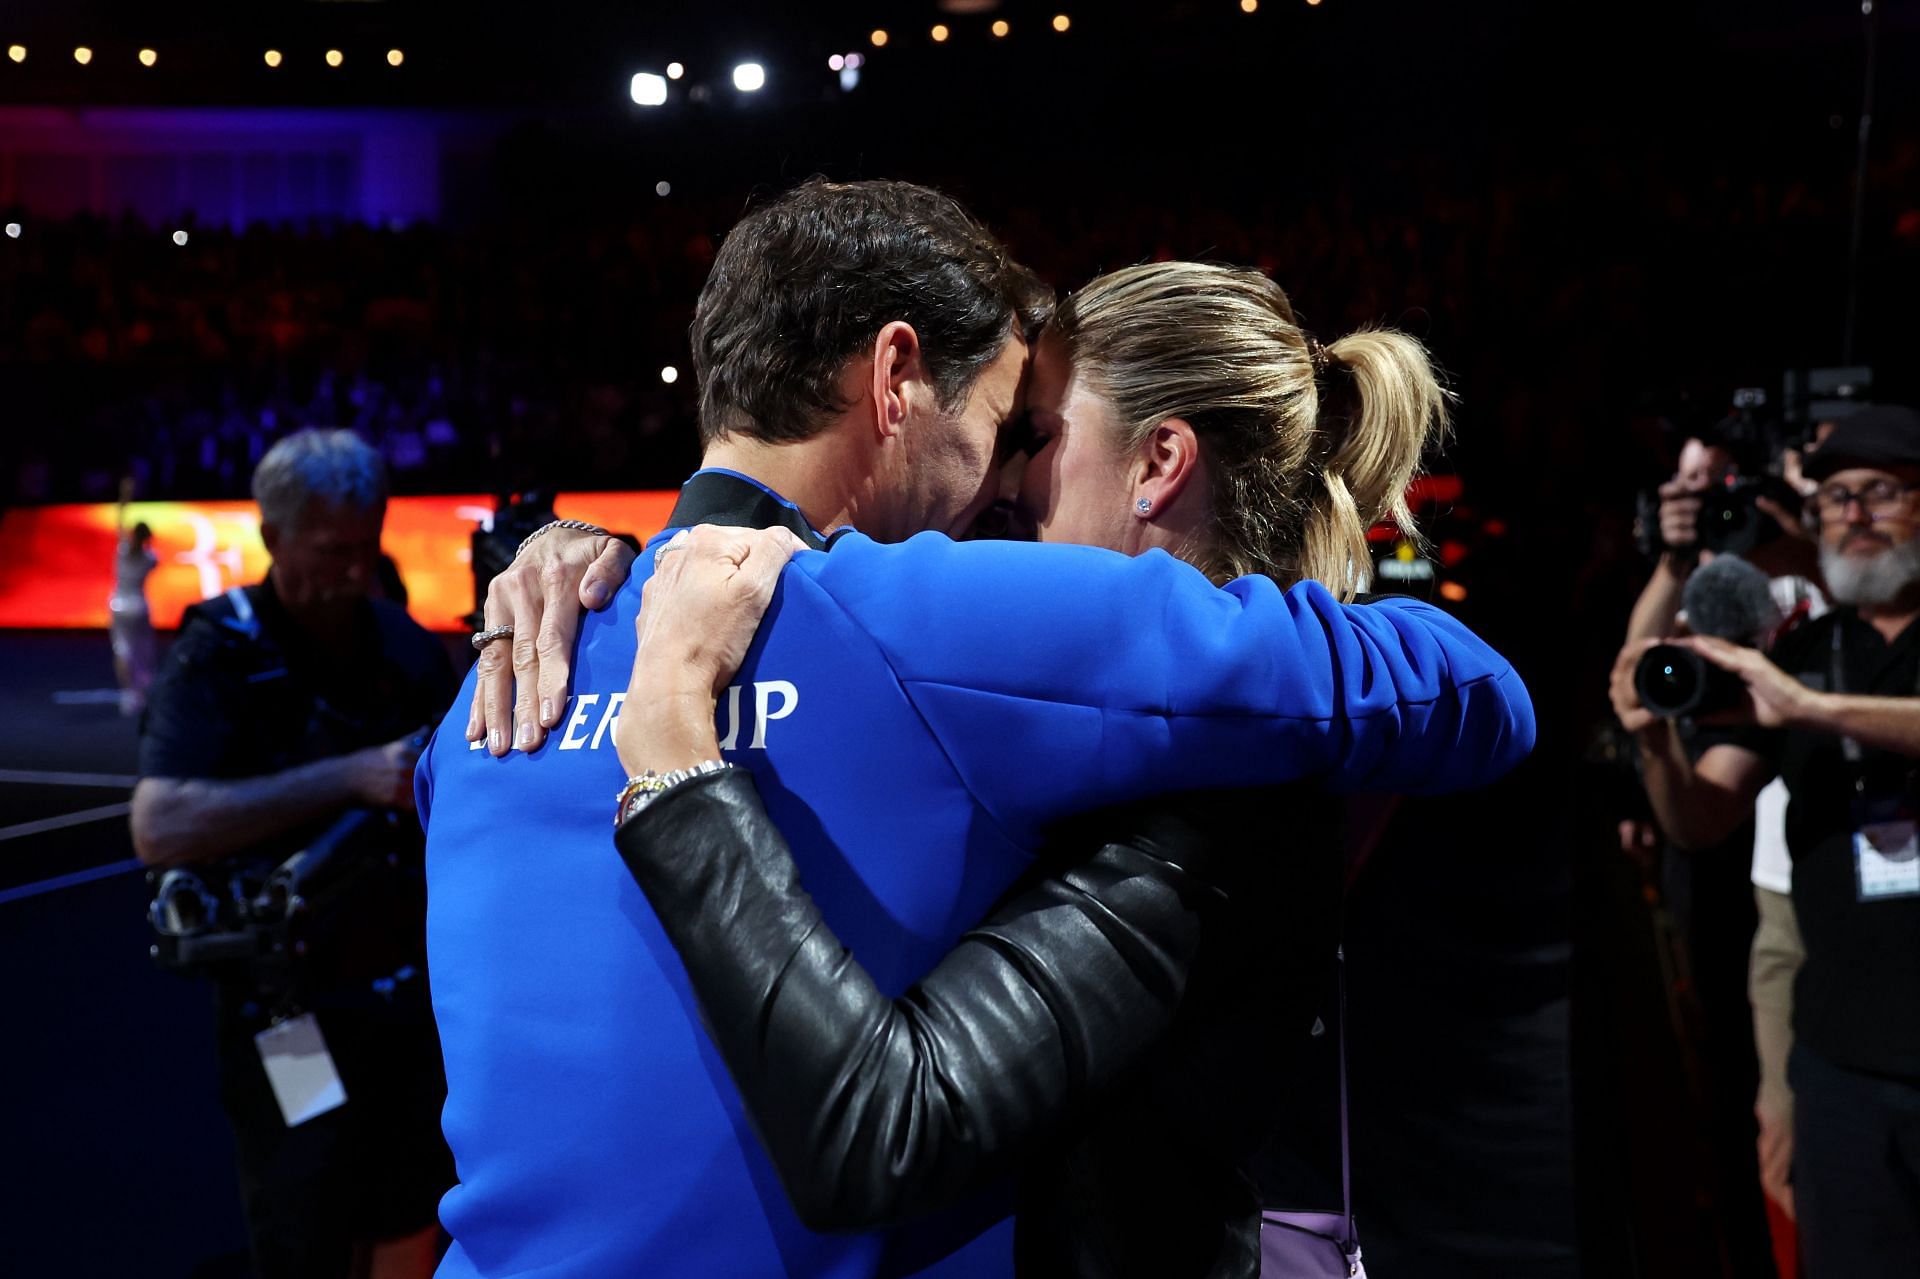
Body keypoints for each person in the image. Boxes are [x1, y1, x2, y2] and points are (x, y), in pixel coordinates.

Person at [416, 179, 1535, 1279]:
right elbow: (1463, 689)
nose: (1000, 484)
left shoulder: (495, 687)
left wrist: (597, 551)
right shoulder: (941, 620)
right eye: (1006, 425)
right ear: (898, 376)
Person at [130, 429, 456, 1279]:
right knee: (307, 1202)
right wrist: (351, 776)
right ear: (272, 536)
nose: (354, 570)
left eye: (365, 546)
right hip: (291, 1015)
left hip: (406, 1002)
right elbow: (159, 825)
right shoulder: (221, 650)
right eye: (331, 549)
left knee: (410, 1196)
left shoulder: (405, 645)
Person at [1609, 404, 1920, 1278]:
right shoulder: (1804, 649)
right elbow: (1702, 818)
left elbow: (1803, 711)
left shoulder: (1803, 687)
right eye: (1836, 498)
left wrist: (1817, 711)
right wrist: (1656, 741)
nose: (1855, 515)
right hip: (1843, 1066)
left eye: (1881, 493)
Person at [111, 478, 159, 716]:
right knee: (142, 648)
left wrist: (125, 496)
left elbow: (120, 521)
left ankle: (129, 694)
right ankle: (142, 689)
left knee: (122, 649)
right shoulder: (150, 557)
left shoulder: (122, 551)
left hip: (120, 603)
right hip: (139, 605)